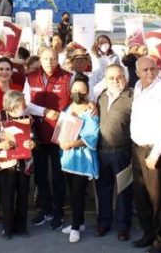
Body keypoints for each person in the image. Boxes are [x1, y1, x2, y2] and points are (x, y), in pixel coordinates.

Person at [23, 46, 73, 229]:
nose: (49, 62)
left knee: (58, 176)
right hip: (38, 134)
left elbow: (74, 104)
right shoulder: (31, 78)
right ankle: (45, 209)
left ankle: (58, 211)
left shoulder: (68, 77)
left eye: (52, 58)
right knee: (41, 175)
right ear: (40, 60)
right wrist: (44, 112)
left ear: (58, 59)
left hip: (60, 134)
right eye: (45, 58)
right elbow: (26, 104)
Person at [130, 56, 161, 253]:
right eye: (145, 70)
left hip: (155, 150)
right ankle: (148, 233)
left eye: (153, 69)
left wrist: (155, 154)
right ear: (137, 72)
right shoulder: (138, 87)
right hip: (137, 148)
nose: (150, 73)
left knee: (157, 198)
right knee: (141, 196)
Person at [0, 90, 35, 239]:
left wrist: (33, 143)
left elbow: (36, 138)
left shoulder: (28, 118)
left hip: (24, 164)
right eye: (22, 103)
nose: (25, 106)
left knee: (23, 195)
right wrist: (0, 145)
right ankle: (7, 228)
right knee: (7, 196)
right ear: (13, 104)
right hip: (5, 164)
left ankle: (21, 227)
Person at [94, 64, 133, 242]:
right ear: (106, 79)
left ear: (125, 78)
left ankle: (123, 226)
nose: (116, 81)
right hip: (101, 152)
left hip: (123, 152)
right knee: (103, 189)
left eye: (119, 77)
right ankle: (104, 222)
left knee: (124, 191)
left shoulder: (132, 97)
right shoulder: (100, 97)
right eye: (111, 78)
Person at [59, 76, 100, 243]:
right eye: (75, 89)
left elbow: (92, 136)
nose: (78, 93)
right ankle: (80, 222)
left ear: (87, 92)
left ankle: (75, 227)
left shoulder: (91, 111)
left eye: (81, 90)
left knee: (77, 194)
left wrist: (72, 143)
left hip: (82, 160)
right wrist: (61, 141)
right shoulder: (69, 108)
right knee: (72, 192)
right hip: (67, 158)